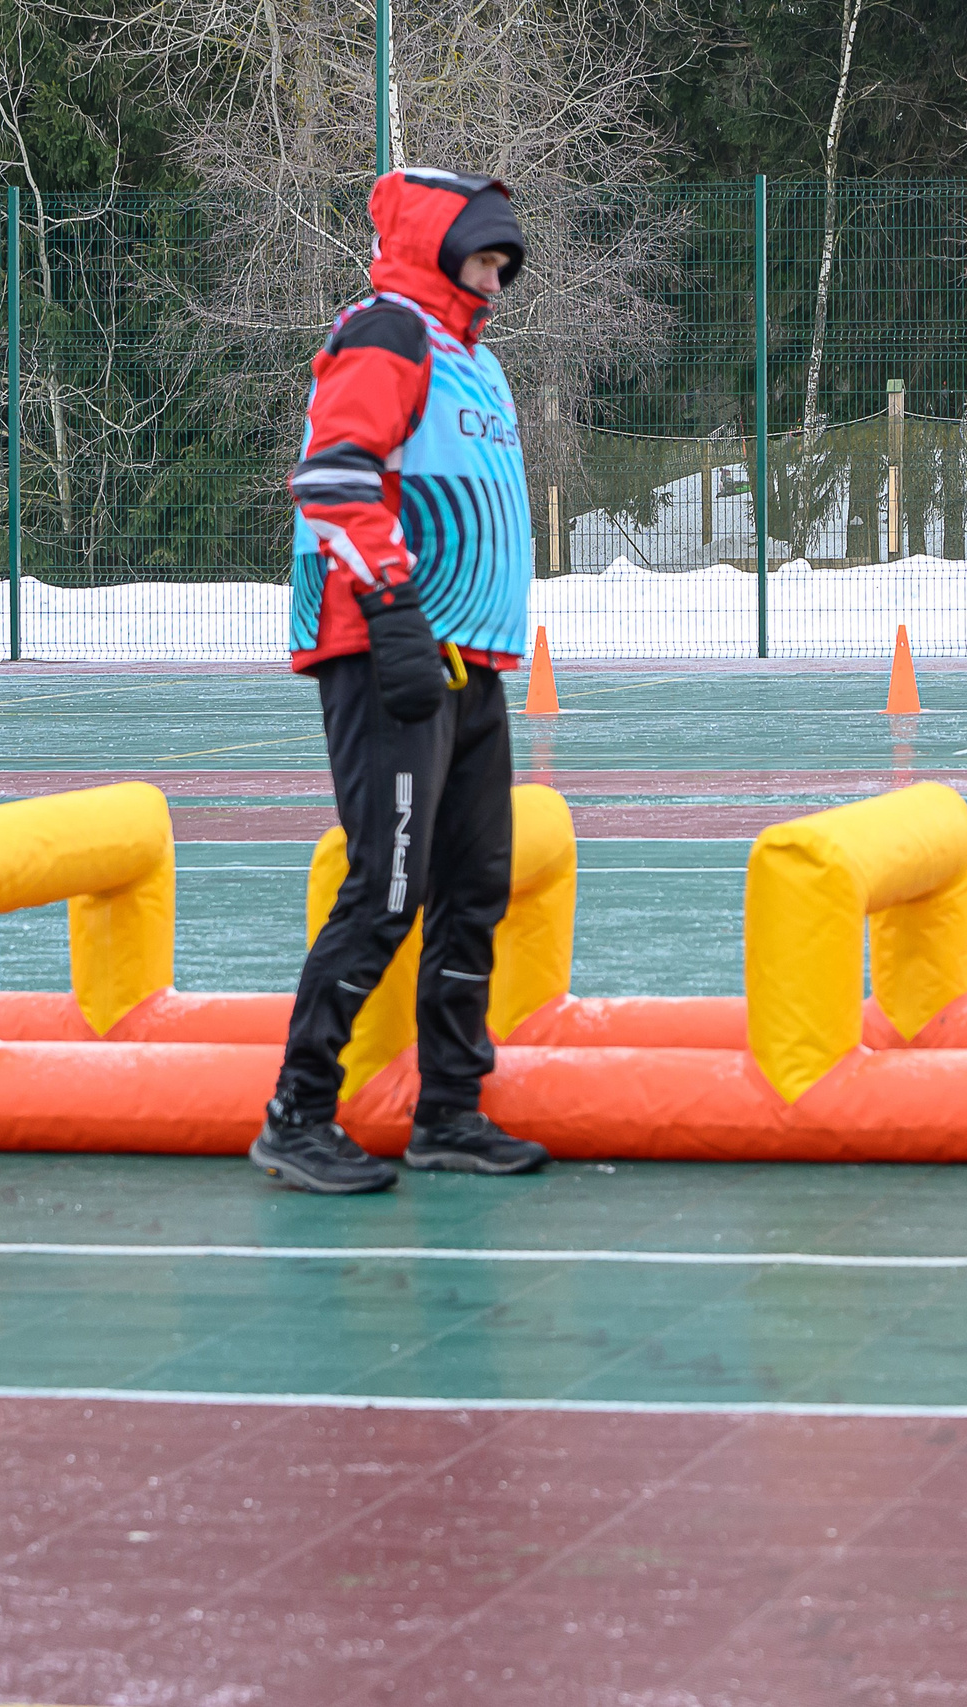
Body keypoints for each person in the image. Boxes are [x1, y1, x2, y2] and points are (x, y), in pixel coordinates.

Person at [254, 167, 550, 1194]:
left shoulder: (480, 364)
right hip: (392, 655)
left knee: (474, 889)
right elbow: (333, 478)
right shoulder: (387, 333)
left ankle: (450, 1112)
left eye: (506, 266)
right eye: (483, 260)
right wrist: (392, 616)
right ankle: (297, 1114)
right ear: (437, 248)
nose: (497, 283)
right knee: (388, 887)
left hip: (467, 662)